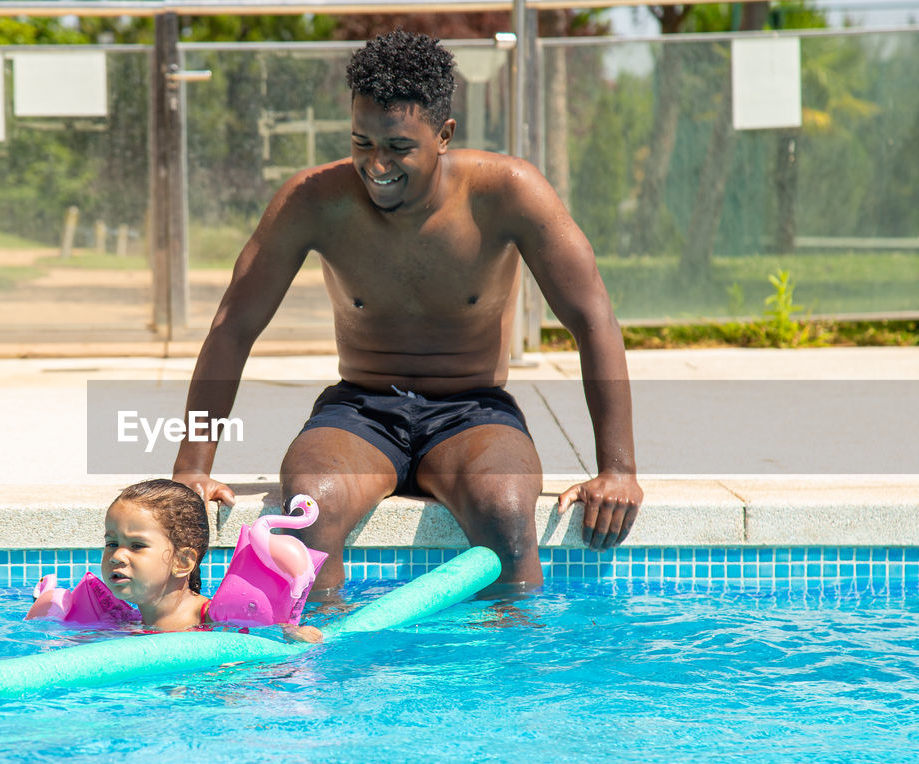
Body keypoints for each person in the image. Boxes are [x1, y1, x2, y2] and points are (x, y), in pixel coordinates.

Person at [172, 30, 642, 592]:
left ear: (444, 135)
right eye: (361, 142)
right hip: (361, 412)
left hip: (474, 413)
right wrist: (192, 469)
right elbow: (233, 327)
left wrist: (618, 470)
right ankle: (326, 670)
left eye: (397, 147)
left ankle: (512, 671)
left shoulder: (508, 191)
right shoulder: (315, 200)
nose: (376, 164)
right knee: (309, 512)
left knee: (508, 512)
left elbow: (593, 318)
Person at [27, 479, 323, 641]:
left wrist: (291, 634)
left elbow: (279, 640)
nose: (117, 555)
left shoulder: (213, 620)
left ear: (182, 562)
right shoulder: (122, 622)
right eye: (111, 543)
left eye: (137, 545)